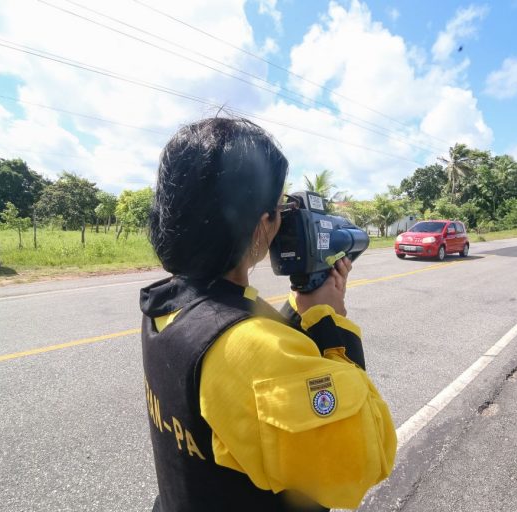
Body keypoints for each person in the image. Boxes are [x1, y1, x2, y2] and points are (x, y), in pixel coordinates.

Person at [140, 117, 396, 511]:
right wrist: (330, 322)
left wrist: (305, 303)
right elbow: (365, 460)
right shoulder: (253, 352)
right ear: (263, 224)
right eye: (281, 209)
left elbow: (243, 333)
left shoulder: (166, 306)